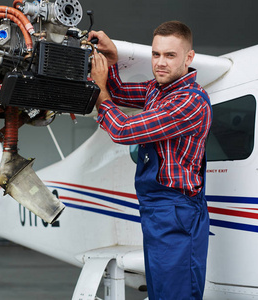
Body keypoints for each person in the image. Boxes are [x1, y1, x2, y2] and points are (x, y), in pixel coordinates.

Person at [89, 21, 212, 299]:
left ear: (188, 58)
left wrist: (99, 90)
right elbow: (119, 93)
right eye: (156, 54)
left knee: (175, 296)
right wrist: (111, 58)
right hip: (156, 210)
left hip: (177, 212)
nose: (160, 63)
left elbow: (122, 130)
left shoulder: (190, 101)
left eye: (170, 55)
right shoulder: (156, 90)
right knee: (160, 294)